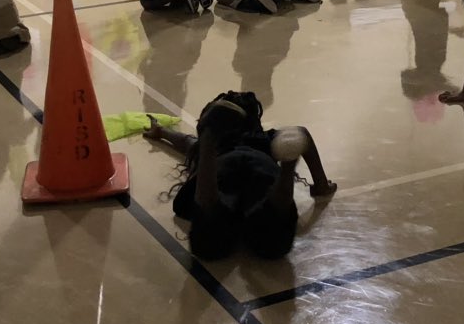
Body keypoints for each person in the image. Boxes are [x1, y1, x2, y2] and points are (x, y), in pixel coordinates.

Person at [143, 90, 336, 260]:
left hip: (223, 164)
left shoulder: (220, 144)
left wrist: (161, 131)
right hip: (260, 166)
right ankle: (286, 175)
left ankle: (209, 202)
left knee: (210, 239)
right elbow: (301, 133)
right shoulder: (266, 140)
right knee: (273, 239)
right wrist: (321, 186)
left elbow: (186, 141)